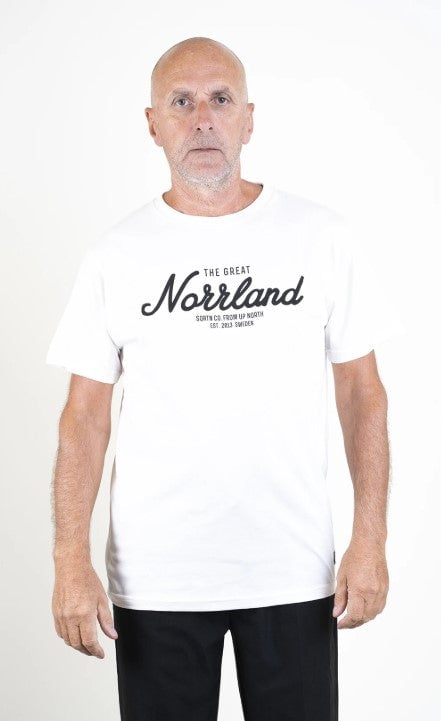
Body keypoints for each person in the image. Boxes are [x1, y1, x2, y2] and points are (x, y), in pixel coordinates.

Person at [46, 36, 404, 721]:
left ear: (249, 119)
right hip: (156, 580)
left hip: (293, 571)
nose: (203, 119)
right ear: (153, 123)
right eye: (181, 102)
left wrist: (370, 538)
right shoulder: (115, 256)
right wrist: (70, 558)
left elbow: (364, 395)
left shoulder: (319, 237)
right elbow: (83, 417)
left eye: (220, 99)